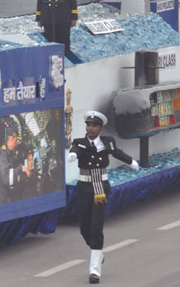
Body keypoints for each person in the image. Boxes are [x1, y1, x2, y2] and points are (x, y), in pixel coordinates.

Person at [68, 111, 139, 284]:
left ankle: (94, 271)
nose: (90, 128)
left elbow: (118, 153)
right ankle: (98, 251)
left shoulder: (107, 142)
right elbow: (75, 150)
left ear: (100, 127)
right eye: (88, 125)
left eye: (94, 126)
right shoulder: (80, 142)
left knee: (96, 226)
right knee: (84, 227)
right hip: (84, 187)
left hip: (100, 187)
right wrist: (73, 155)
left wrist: (131, 162)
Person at [0, 121, 32, 206]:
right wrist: (21, 168)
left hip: (6, 195)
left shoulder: (9, 154)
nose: (16, 144)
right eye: (16, 140)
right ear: (12, 138)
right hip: (0, 198)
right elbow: (6, 178)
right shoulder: (2, 154)